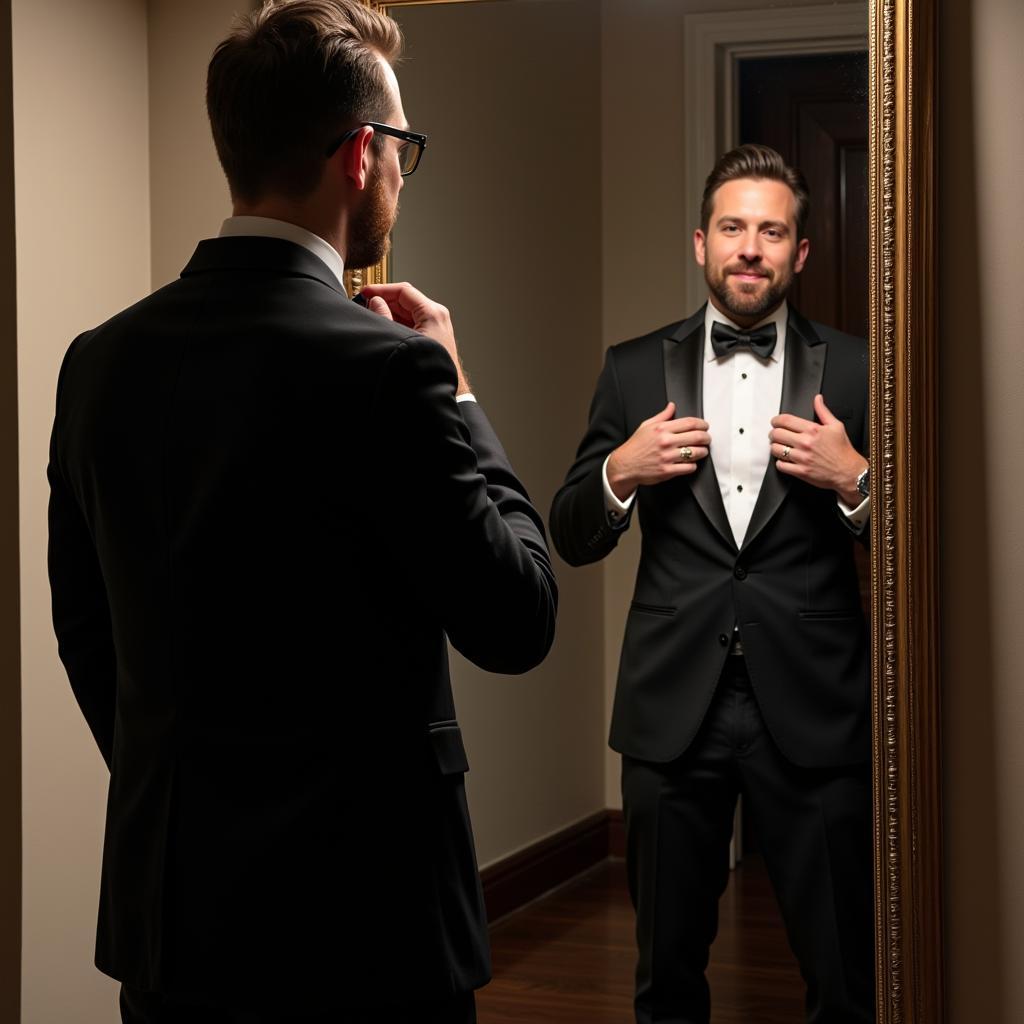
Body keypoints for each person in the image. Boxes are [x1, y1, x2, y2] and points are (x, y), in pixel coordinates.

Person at [46, 2, 557, 1021]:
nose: (404, 171)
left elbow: (88, 633)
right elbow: (517, 616)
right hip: (369, 929)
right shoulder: (393, 370)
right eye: (403, 147)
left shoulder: (100, 362)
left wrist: (194, 796)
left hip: (173, 918)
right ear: (362, 156)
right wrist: (460, 390)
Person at [550, 144, 873, 1024]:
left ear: (800, 253)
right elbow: (569, 532)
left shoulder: (858, 369)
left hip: (814, 703)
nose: (750, 248)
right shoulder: (629, 368)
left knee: (845, 972)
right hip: (671, 706)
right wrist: (620, 469)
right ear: (701, 243)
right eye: (733, 227)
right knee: (665, 976)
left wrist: (858, 482)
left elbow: (928, 545)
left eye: (772, 231)